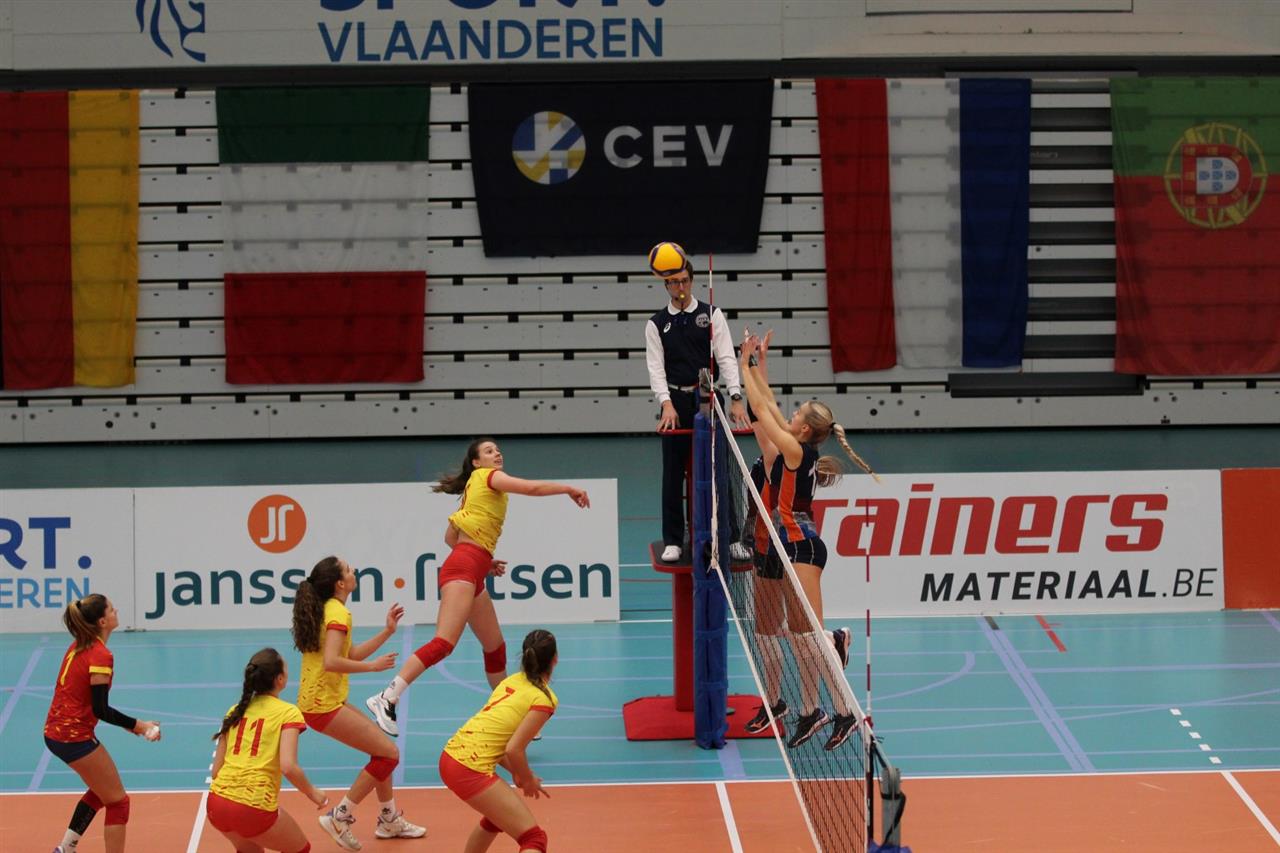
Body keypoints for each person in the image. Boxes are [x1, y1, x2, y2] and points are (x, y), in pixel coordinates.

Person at [367, 438, 589, 738]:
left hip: (471, 567)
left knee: (495, 648)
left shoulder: (472, 492)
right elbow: (532, 489)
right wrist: (568, 489)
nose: (496, 453)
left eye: (497, 449)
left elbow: (450, 537)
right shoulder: (488, 477)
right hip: (462, 568)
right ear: (476, 462)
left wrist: (484, 560)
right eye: (488, 451)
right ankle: (387, 697)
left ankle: (508, 714)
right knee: (443, 643)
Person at [738, 329, 875, 751]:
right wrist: (758, 363)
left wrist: (743, 365)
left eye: (797, 412)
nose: (791, 413)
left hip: (802, 547)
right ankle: (813, 711)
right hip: (793, 546)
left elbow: (761, 410)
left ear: (804, 428)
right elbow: (768, 407)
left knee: (811, 637)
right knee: (801, 637)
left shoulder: (796, 452)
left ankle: (846, 708)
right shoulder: (794, 447)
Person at [290, 556, 426, 850]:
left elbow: (350, 654)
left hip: (322, 701)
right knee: (389, 755)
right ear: (340, 583)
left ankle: (388, 819)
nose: (354, 572)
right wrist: (373, 668)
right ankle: (339, 816)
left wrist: (387, 631)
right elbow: (331, 662)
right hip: (323, 704)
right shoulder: (337, 613)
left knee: (382, 750)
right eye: (349, 570)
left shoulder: (330, 609)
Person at [644, 240, 750, 562]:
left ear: (691, 281)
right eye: (674, 282)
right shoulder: (655, 324)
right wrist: (666, 403)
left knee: (720, 470)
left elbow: (727, 359)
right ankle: (674, 540)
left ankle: (730, 538)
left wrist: (736, 397)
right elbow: (655, 369)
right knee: (672, 473)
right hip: (675, 402)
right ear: (666, 284)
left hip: (707, 398)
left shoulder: (711, 315)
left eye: (685, 281)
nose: (680, 287)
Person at [45, 594, 160, 853]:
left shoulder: (79, 645)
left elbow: (94, 705)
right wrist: (140, 726)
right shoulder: (100, 655)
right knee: (118, 802)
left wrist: (132, 726)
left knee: (101, 790)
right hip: (73, 737)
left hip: (56, 731)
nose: (115, 610)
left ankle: (65, 849)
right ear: (102, 621)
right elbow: (101, 709)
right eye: (111, 609)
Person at [438, 629, 559, 853]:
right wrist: (527, 778)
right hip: (469, 767)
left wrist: (517, 773)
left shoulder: (510, 681)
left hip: (450, 756)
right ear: (555, 659)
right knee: (534, 839)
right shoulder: (544, 699)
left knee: (496, 819)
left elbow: (497, 739)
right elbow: (514, 749)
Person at [207, 648, 327, 853]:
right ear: (280, 679)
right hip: (252, 806)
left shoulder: (235, 711)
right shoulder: (288, 712)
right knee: (300, 849)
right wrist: (313, 793)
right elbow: (288, 766)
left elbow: (216, 771)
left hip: (216, 804)